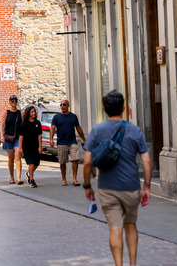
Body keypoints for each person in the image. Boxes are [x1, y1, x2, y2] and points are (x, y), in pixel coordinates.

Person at [83, 90, 152, 266]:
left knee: (115, 228)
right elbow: (146, 160)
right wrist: (147, 187)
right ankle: (133, 263)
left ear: (104, 108)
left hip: (107, 187)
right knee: (130, 224)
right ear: (123, 108)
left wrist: (87, 186)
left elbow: (87, 162)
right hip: (131, 186)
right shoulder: (135, 130)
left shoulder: (97, 130)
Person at [50, 99, 86, 186]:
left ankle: (74, 179)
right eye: (61, 105)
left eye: (64, 105)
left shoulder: (73, 116)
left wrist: (84, 139)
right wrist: (51, 139)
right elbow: (52, 128)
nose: (62, 106)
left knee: (75, 159)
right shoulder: (56, 117)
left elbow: (78, 128)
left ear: (68, 106)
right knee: (62, 162)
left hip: (72, 141)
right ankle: (64, 179)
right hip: (61, 142)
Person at [19, 105, 43, 188]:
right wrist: (20, 147)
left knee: (37, 163)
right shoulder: (24, 124)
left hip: (35, 145)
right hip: (27, 146)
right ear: (28, 113)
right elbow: (21, 136)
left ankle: (29, 173)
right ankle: (31, 180)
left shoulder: (37, 123)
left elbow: (39, 135)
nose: (34, 113)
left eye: (35, 112)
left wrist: (40, 146)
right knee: (31, 162)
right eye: (32, 112)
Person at [1, 95, 23, 184]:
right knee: (11, 158)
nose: (14, 102)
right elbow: (2, 125)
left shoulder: (20, 113)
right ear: (9, 102)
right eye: (12, 101)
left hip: (18, 137)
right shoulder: (6, 113)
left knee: (18, 156)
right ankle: (11, 177)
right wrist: (1, 136)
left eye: (15, 101)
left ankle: (18, 178)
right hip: (8, 137)